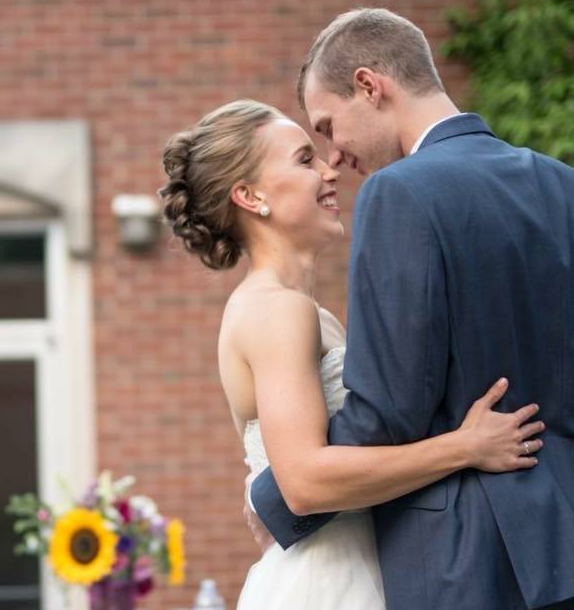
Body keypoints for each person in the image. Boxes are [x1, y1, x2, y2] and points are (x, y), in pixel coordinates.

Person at [248, 8, 574, 610]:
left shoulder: (400, 194)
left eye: (329, 127)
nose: (334, 158)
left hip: (469, 562)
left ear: (370, 85)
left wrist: (282, 496)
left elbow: (387, 410)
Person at [159, 99, 546, 609]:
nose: (329, 171)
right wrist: (466, 447)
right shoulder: (277, 312)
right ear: (250, 196)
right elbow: (302, 482)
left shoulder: (303, 313)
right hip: (329, 584)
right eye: (303, 160)